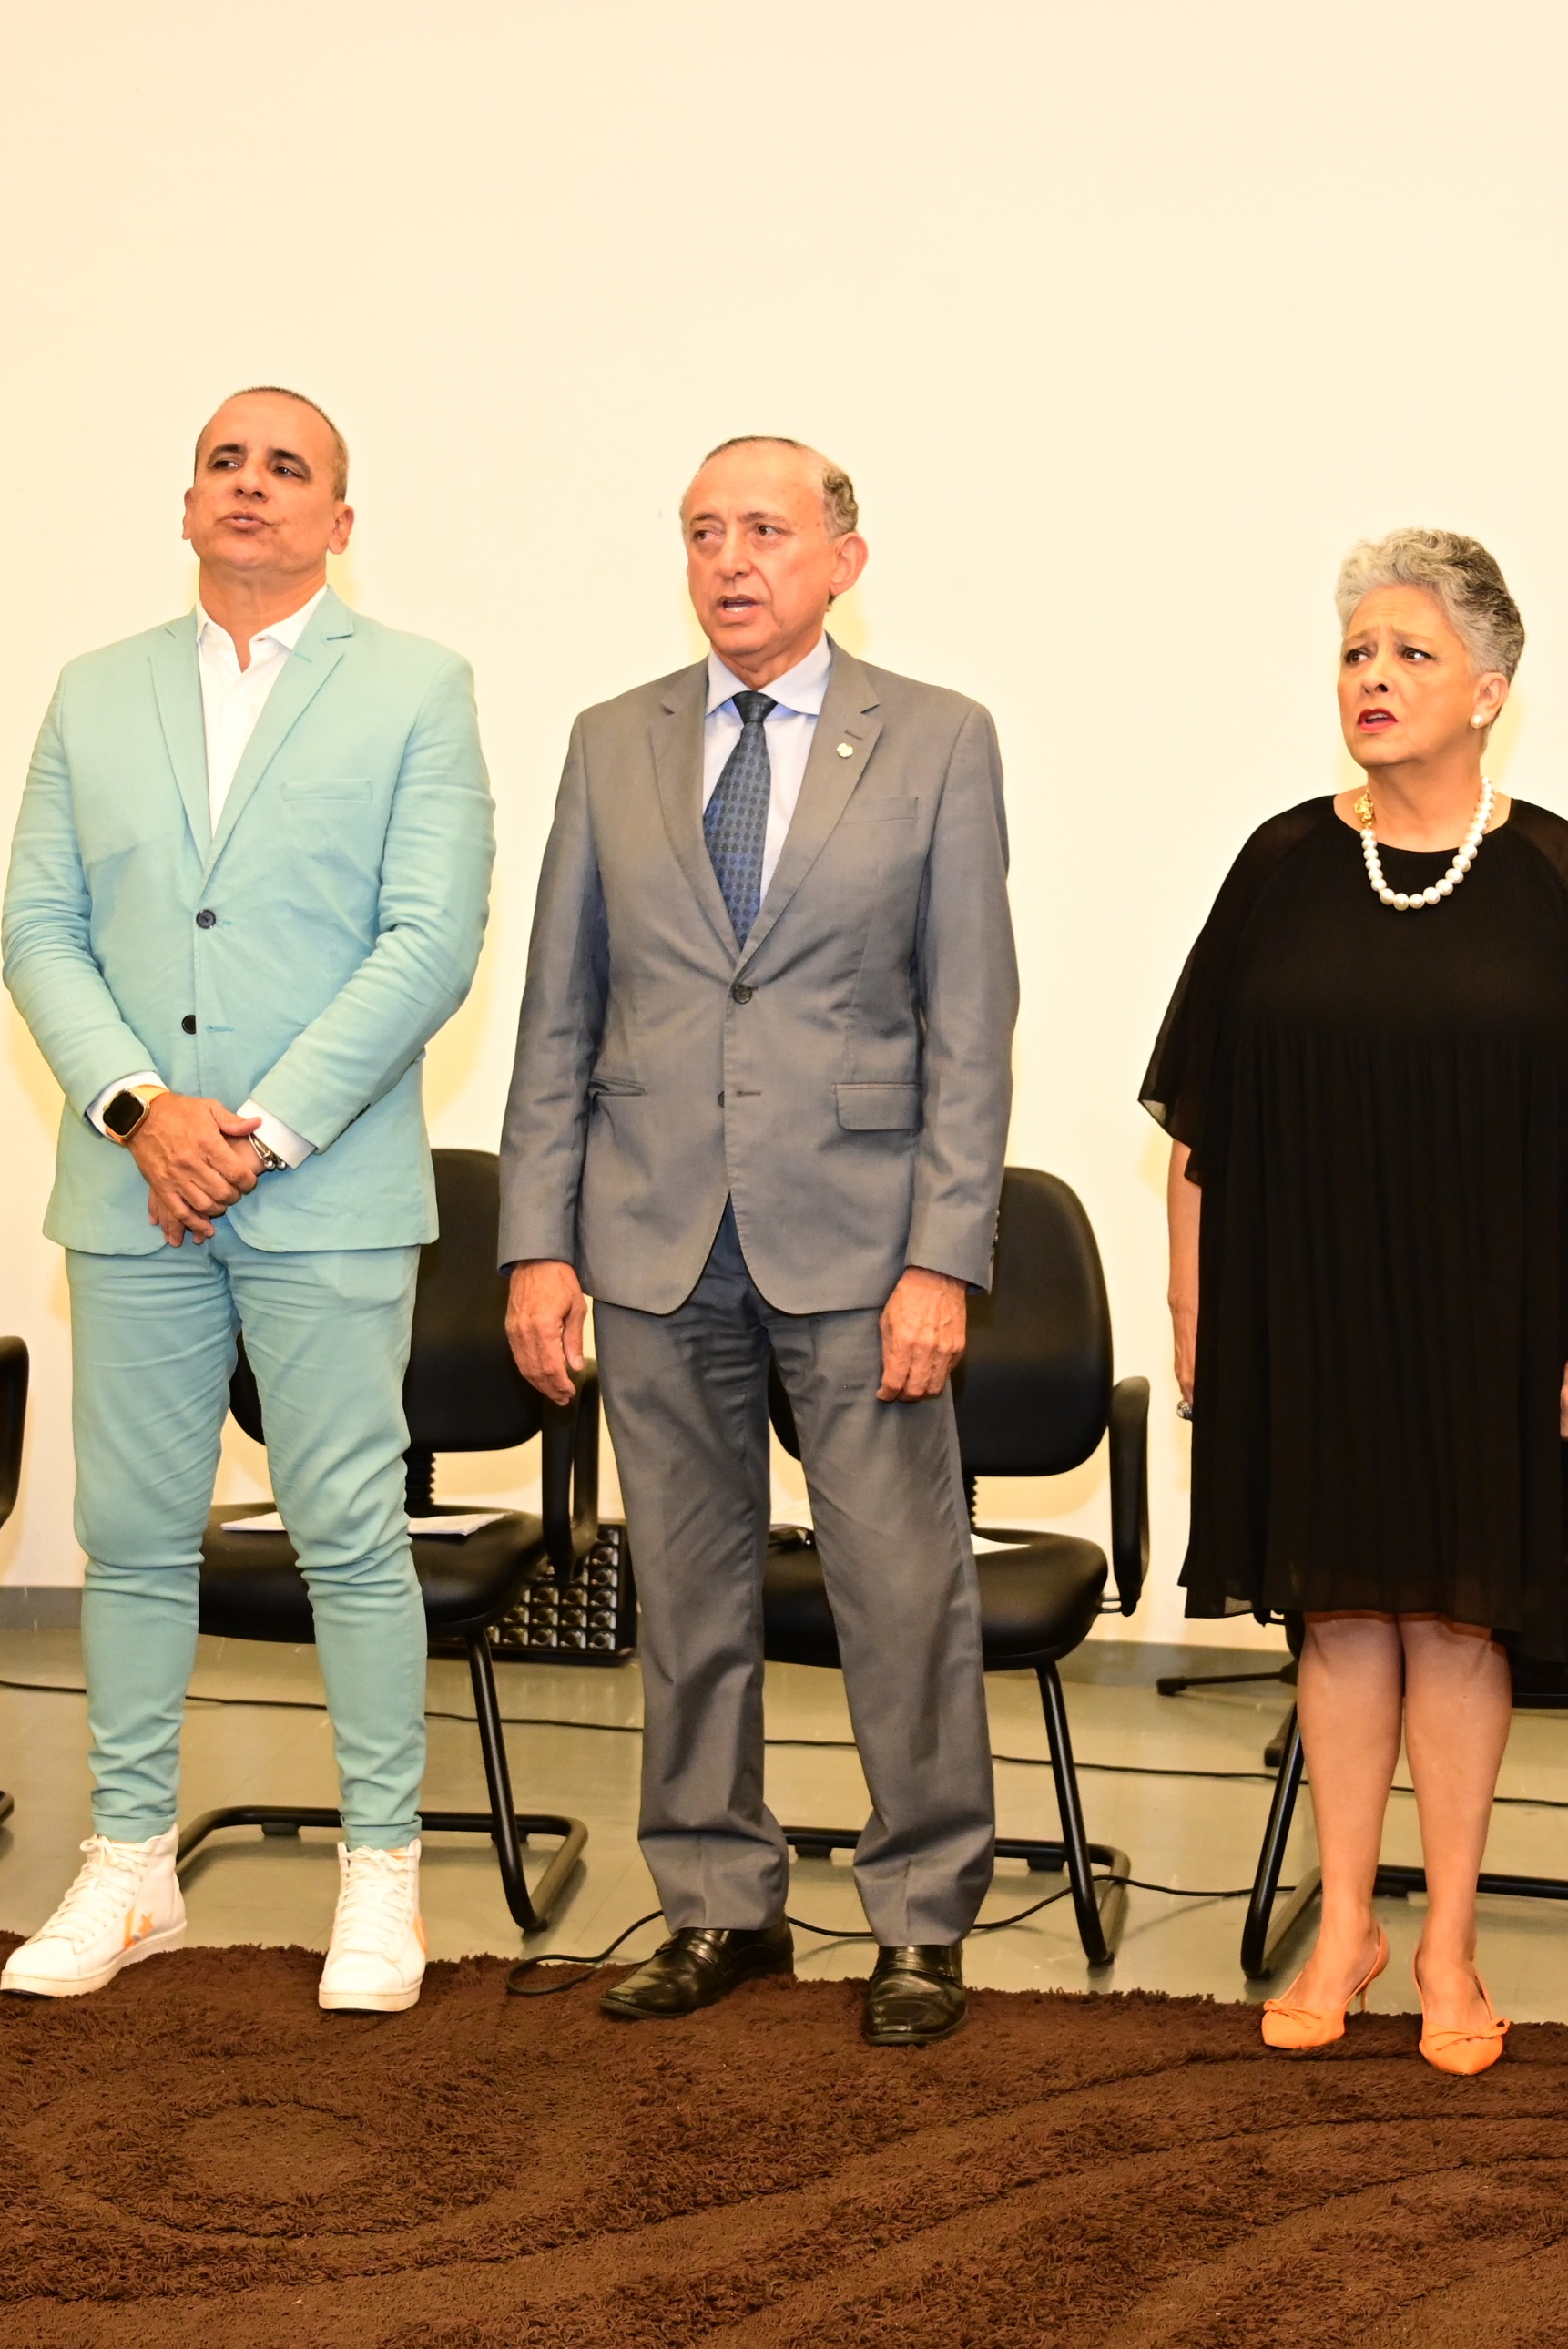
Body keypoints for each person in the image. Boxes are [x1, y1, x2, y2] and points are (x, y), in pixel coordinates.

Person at [1145, 528, 1568, 2075]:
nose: (1374, 678)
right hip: (1310, 1309)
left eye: (1410, 653)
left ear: (1490, 690)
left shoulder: (1564, 876)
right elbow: (1203, 1123)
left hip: (1496, 1323)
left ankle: (1449, 1945)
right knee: (1337, 1614)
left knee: (1461, 1623)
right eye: (1355, 653)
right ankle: (1346, 1925)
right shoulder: (1280, 864)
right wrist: (1197, 1311)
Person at [500, 436, 1017, 2048]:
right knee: (687, 1590)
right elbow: (558, 1010)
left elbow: (972, 1022)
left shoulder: (937, 737)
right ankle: (719, 1901)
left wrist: (944, 1256)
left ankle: (920, 1920)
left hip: (862, 1242)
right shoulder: (613, 740)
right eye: (705, 532)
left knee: (901, 1592)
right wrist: (536, 1242)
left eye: (768, 531)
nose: (732, 560)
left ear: (843, 559)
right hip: (652, 1231)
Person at [0, 387, 493, 2012]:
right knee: (135, 1535)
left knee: (349, 1532)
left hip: (325, 1188)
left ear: (340, 522)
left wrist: (259, 1132)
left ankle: (381, 1878)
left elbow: (429, 940)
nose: (251, 485)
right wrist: (142, 1110)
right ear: (187, 502)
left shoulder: (417, 686)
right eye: (226, 461)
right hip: (130, 1180)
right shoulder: (95, 689)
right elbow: (40, 931)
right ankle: (130, 1865)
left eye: (289, 468)